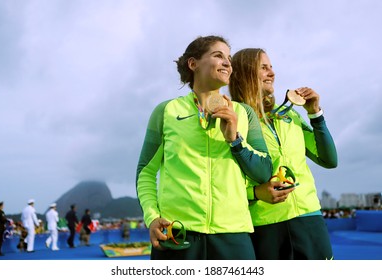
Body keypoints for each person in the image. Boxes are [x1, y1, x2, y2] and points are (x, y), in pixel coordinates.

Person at [136, 35, 272, 260]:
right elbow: (145, 172)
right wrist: (152, 217)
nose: (228, 63)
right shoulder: (166, 111)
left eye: (229, 58)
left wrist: (235, 141)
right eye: (219, 56)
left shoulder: (244, 113)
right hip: (177, 234)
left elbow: (264, 171)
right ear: (193, 64)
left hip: (233, 235)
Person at [229, 48, 338, 259]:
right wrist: (254, 193)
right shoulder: (234, 119)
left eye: (271, 67)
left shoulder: (289, 116)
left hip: (309, 218)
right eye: (263, 68)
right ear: (244, 73)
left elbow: (329, 159)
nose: (272, 73)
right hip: (265, 225)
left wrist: (315, 113)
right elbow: (225, 181)